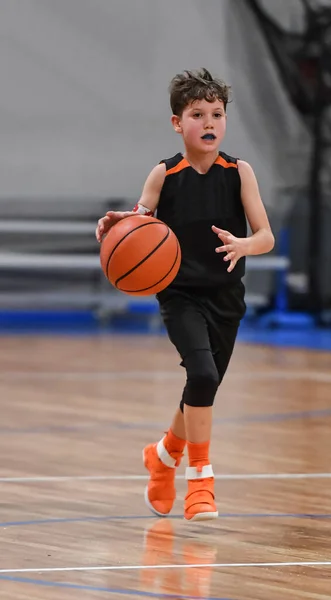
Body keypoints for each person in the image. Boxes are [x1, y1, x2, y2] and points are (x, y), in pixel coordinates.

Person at [96, 68, 274, 522]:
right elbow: (139, 223)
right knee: (202, 374)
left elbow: (266, 236)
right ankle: (201, 480)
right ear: (178, 123)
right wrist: (118, 224)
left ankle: (162, 456)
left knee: (203, 382)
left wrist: (244, 245)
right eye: (198, 114)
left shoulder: (239, 173)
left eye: (217, 114)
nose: (209, 122)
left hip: (227, 297)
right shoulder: (164, 174)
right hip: (179, 297)